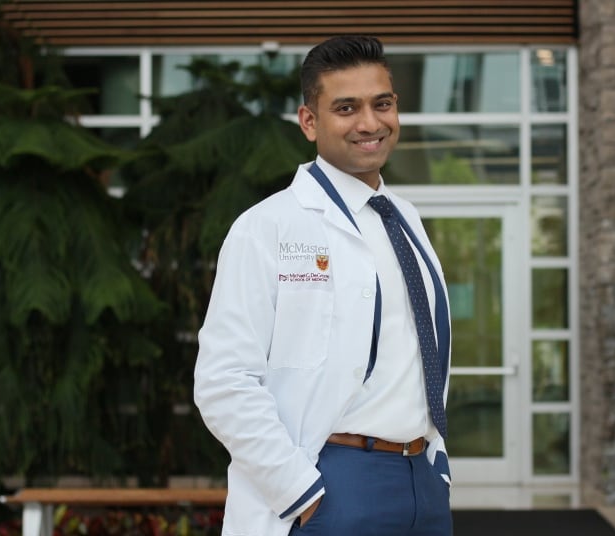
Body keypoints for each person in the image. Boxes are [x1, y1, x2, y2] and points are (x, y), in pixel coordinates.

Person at [194, 35, 452, 536]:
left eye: (382, 104)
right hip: (332, 483)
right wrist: (300, 492)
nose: (370, 123)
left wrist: (436, 468)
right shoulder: (266, 227)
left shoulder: (406, 220)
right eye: (346, 108)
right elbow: (223, 380)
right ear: (309, 121)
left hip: (421, 482)